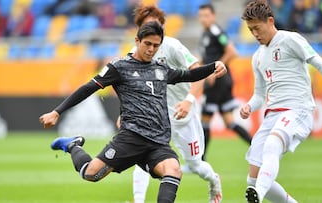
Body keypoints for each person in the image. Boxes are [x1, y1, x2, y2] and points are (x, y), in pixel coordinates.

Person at [39, 22, 227, 203]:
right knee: (91, 174)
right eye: (147, 44)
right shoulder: (119, 67)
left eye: (156, 45)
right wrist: (57, 112)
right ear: (137, 41)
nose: (151, 49)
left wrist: (213, 66)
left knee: (173, 169)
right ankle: (73, 145)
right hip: (131, 138)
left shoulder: (161, 69)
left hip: (158, 142)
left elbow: (190, 75)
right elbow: (89, 87)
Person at [240, 1, 322, 202]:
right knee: (252, 178)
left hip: (297, 110)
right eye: (250, 29)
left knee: (273, 145)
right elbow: (259, 95)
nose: (254, 33)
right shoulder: (257, 56)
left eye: (257, 28)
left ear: (270, 21)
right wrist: (249, 106)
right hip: (271, 115)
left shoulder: (290, 39)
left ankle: (258, 196)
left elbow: (320, 64)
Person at [129, 5, 222, 203]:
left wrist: (188, 101)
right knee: (141, 155)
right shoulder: (134, 54)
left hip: (181, 113)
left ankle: (214, 180)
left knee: (196, 165)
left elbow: (198, 73)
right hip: (153, 116)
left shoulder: (172, 46)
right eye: (146, 26)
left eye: (156, 25)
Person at [198, 4, 252, 160]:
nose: (203, 19)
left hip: (218, 82)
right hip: (222, 82)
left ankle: (200, 160)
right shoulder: (206, 34)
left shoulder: (216, 32)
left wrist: (214, 72)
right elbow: (206, 57)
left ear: (213, 16)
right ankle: (256, 145)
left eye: (206, 16)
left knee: (205, 120)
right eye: (201, 16)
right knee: (229, 122)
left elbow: (232, 52)